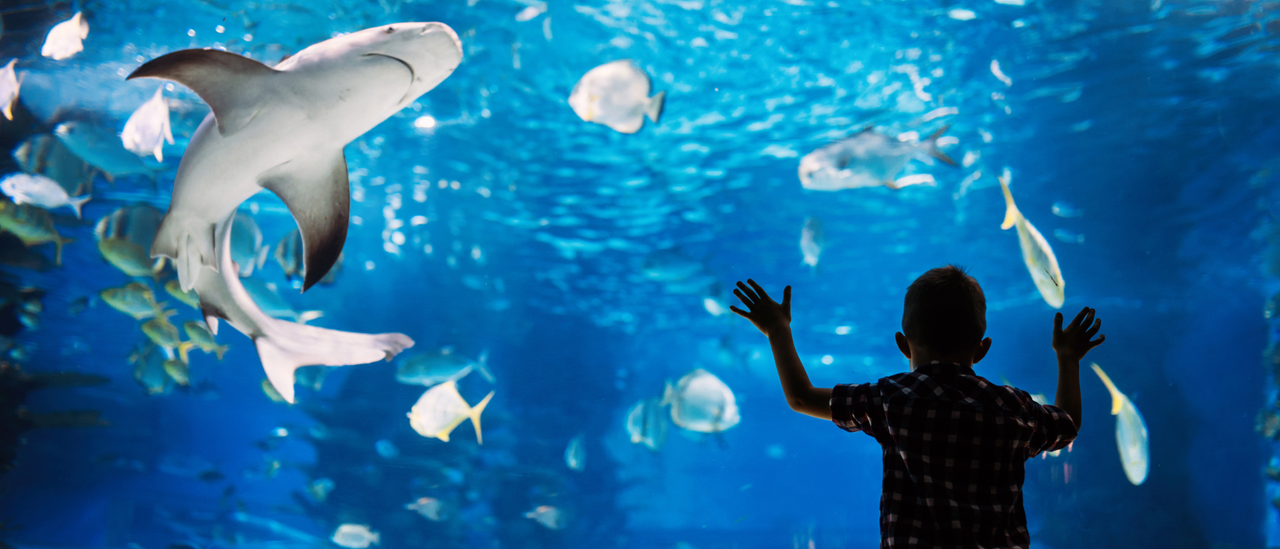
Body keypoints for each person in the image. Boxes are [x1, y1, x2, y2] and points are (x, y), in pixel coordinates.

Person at [729, 266, 1104, 549]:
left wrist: (778, 329)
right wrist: (1068, 358)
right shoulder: (1012, 407)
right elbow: (1067, 424)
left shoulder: (892, 400)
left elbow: (801, 397)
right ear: (982, 348)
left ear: (903, 344)